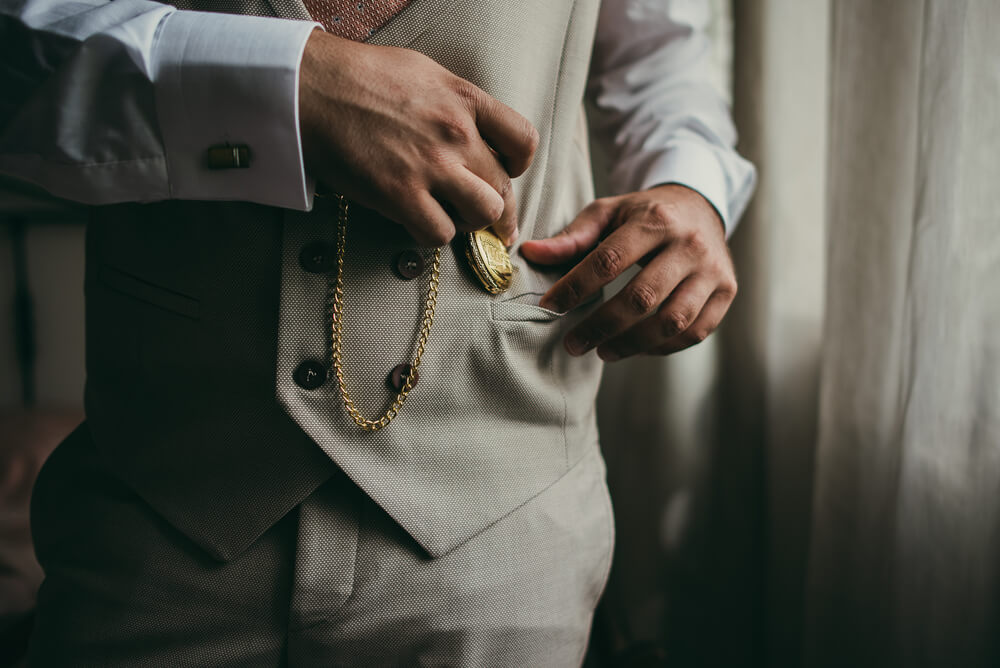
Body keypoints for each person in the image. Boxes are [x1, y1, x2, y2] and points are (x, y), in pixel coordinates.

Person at [0, 0, 755, 664]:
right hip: (159, 520)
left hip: (502, 529)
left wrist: (690, 184)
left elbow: (661, 54)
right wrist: (285, 85)